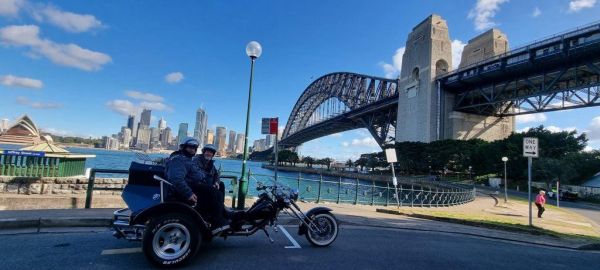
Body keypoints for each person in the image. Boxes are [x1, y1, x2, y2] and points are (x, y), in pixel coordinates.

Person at [164, 137, 229, 235]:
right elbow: (176, 179)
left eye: (194, 148)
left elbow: (214, 174)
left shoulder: (187, 159)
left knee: (219, 188)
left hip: (193, 185)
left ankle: (220, 213)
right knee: (216, 193)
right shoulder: (179, 160)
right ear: (183, 147)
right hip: (185, 190)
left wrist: (215, 181)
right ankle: (217, 223)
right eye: (190, 147)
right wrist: (188, 193)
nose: (192, 150)